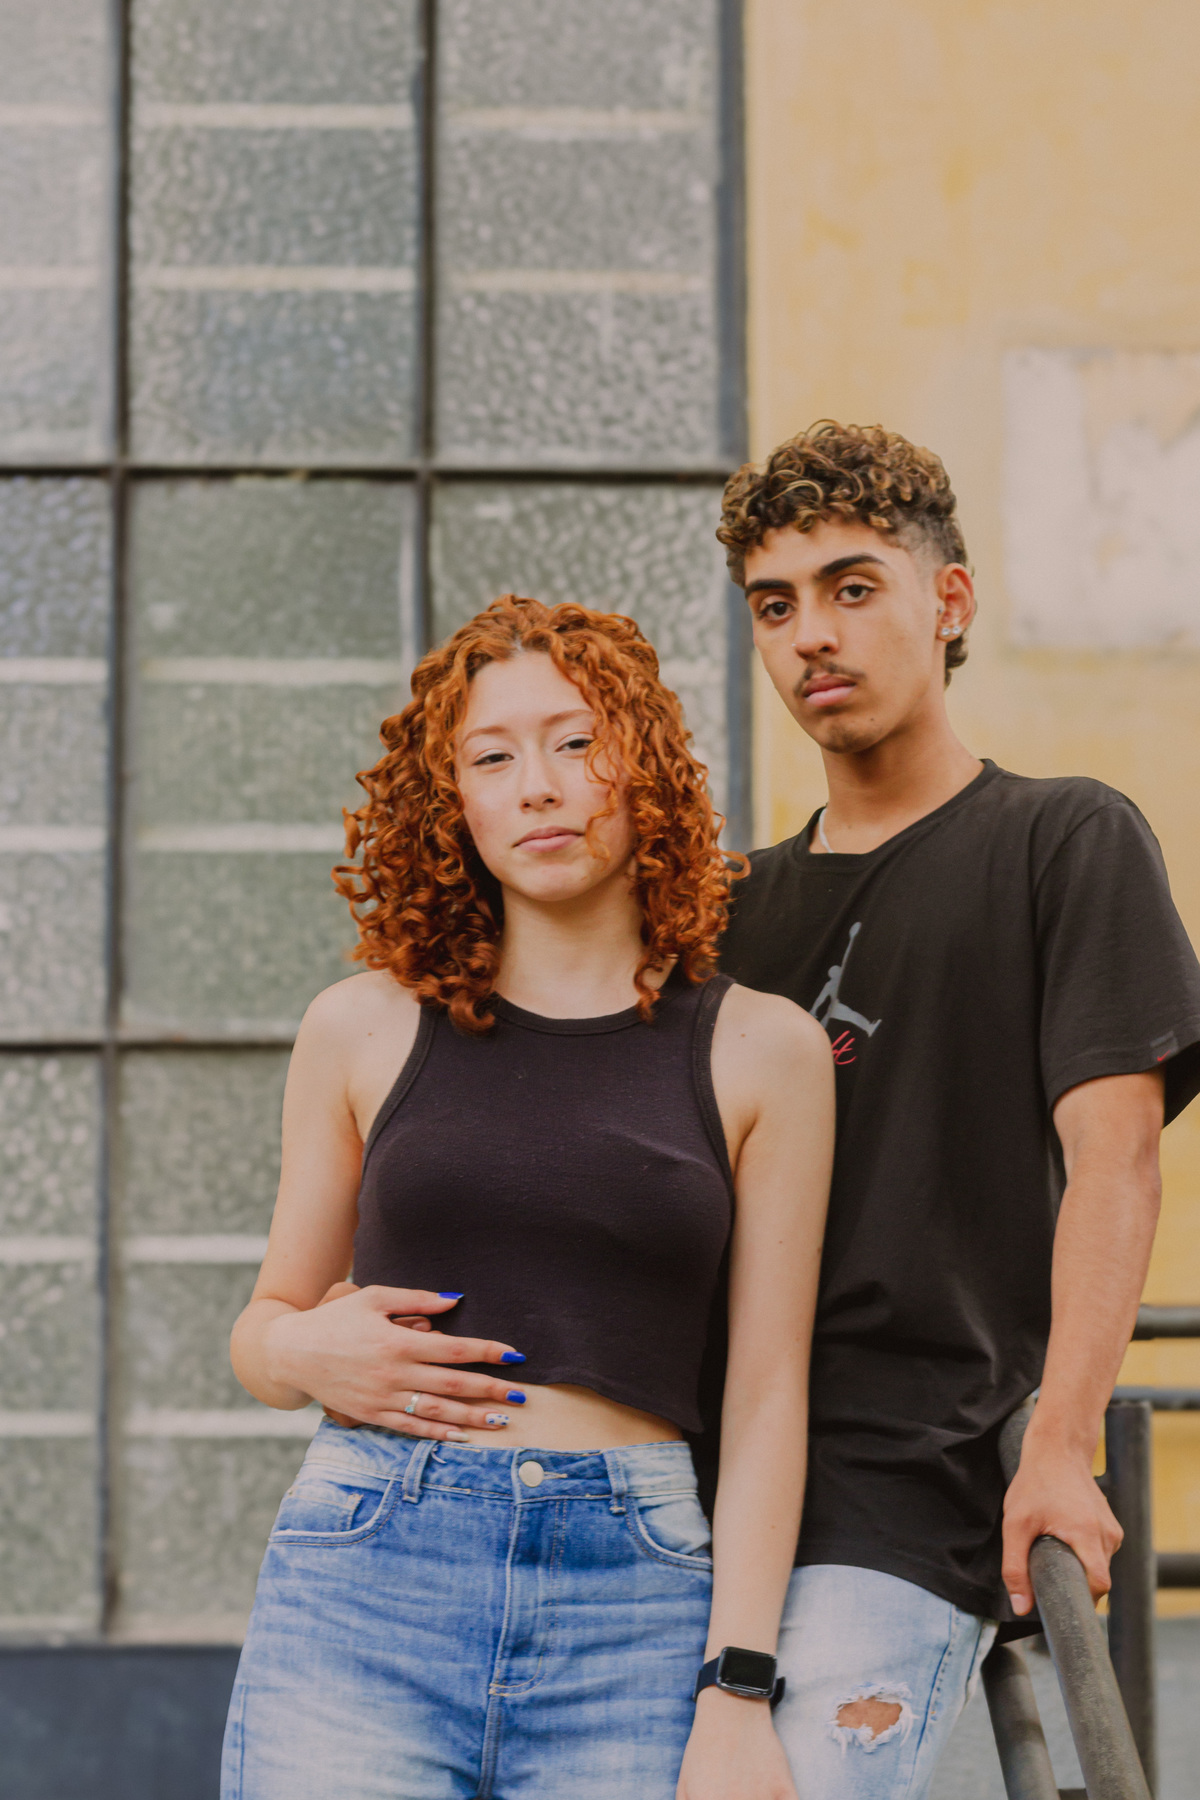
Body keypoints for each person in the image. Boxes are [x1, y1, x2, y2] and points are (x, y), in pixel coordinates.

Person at [222, 596, 834, 1800]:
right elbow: (261, 1331)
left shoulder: (765, 1050)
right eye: (491, 759)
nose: (538, 787)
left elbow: (767, 1392)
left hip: (636, 1604)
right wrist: (306, 1349)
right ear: (453, 803)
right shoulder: (359, 1027)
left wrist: (738, 1686)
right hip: (367, 1580)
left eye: (574, 742)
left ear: (642, 766)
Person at [713, 421, 1200, 1797]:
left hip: (906, 1482)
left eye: (854, 586)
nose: (813, 633)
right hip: (693, 1486)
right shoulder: (727, 910)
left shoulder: (1064, 840)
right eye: (777, 602)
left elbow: (1114, 1161)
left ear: (951, 601)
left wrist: (1059, 1446)